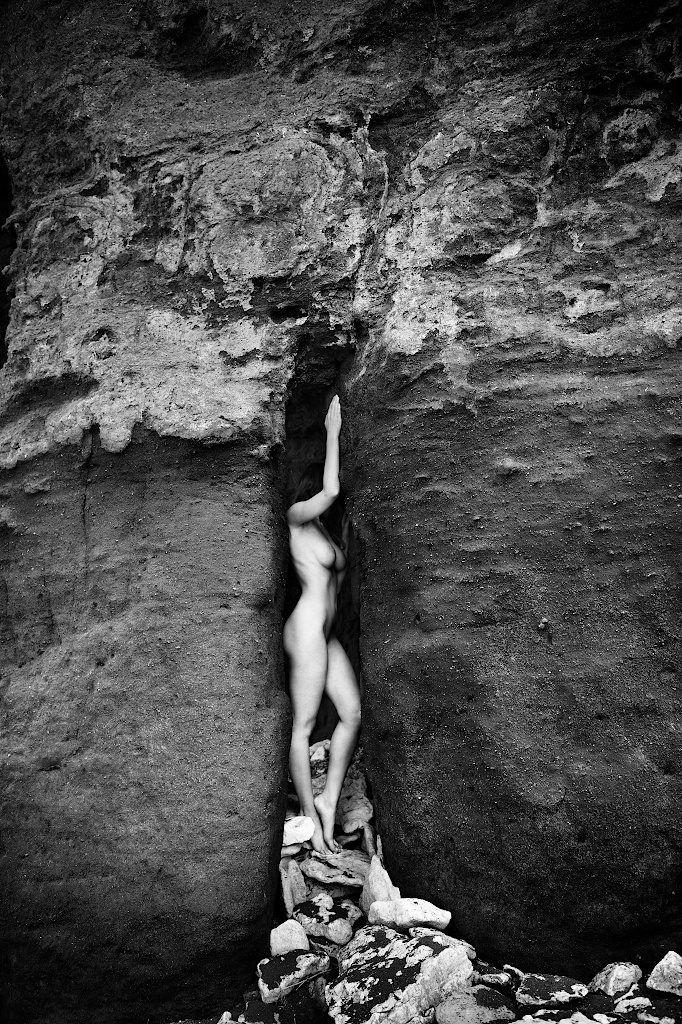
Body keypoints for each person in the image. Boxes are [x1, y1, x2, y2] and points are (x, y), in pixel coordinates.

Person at [284, 395, 361, 855]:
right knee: (304, 725)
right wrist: (332, 433)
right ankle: (310, 819)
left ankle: (329, 799)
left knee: (352, 713)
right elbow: (329, 492)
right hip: (307, 630)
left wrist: (344, 542)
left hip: (326, 634)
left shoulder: (329, 534)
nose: (329, 503)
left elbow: (340, 586)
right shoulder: (296, 521)